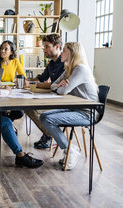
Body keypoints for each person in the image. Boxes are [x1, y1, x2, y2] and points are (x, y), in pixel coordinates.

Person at [39, 42, 99, 170]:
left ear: (72, 53)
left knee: (49, 119)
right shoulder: (69, 69)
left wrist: (60, 87)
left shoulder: (80, 69)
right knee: (44, 117)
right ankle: (70, 148)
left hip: (88, 112)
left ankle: (69, 150)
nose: (61, 53)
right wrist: (59, 85)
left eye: (64, 50)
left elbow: (62, 91)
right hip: (76, 108)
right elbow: (53, 85)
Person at [25, 34, 65, 149]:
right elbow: (42, 78)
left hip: (62, 100)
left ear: (57, 47)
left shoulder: (64, 63)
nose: (44, 49)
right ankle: (50, 135)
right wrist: (27, 81)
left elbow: (55, 85)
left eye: (47, 46)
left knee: (30, 109)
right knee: (27, 108)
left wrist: (34, 84)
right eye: (44, 46)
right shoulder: (52, 63)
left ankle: (51, 136)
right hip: (52, 97)